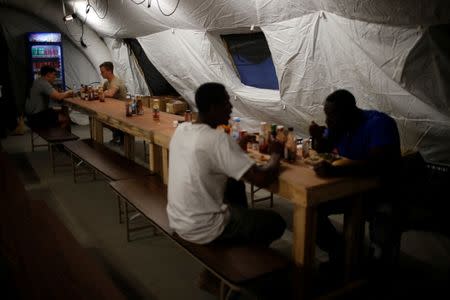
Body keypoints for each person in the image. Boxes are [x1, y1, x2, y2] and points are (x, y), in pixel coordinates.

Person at [167, 82, 286, 294]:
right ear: (213, 108)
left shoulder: (183, 129)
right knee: (275, 222)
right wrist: (277, 153)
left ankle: (226, 260)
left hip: (178, 219)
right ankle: (242, 271)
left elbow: (210, 160)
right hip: (203, 227)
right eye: (226, 103)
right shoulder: (218, 140)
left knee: (234, 185)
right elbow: (263, 179)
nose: (230, 107)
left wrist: (236, 151)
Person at [309, 89, 402, 273]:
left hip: (382, 191)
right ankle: (341, 254)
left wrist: (335, 171)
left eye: (331, 116)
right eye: (326, 115)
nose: (327, 121)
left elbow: (377, 165)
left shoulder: (379, 124)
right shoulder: (340, 125)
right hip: (351, 189)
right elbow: (323, 149)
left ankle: (377, 268)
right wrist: (318, 136)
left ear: (349, 112)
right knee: (312, 210)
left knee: (383, 232)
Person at [99, 61, 127, 145]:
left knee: (101, 119)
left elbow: (111, 93)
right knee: (99, 118)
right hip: (114, 109)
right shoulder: (107, 83)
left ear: (109, 71)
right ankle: (118, 134)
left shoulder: (116, 81)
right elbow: (100, 91)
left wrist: (103, 93)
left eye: (102, 72)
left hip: (122, 110)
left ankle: (119, 133)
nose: (101, 74)